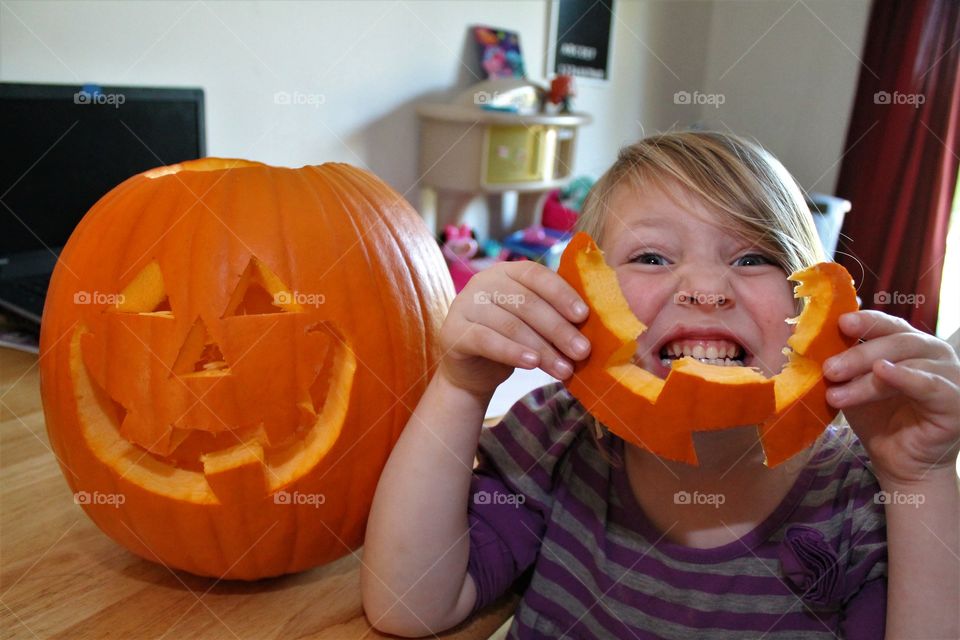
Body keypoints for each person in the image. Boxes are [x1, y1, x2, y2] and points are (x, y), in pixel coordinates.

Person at [361, 131, 960, 639]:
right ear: (582, 293)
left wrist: (922, 477)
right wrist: (461, 385)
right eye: (651, 257)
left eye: (754, 258)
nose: (705, 289)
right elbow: (407, 604)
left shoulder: (860, 502)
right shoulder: (551, 439)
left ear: (812, 306)